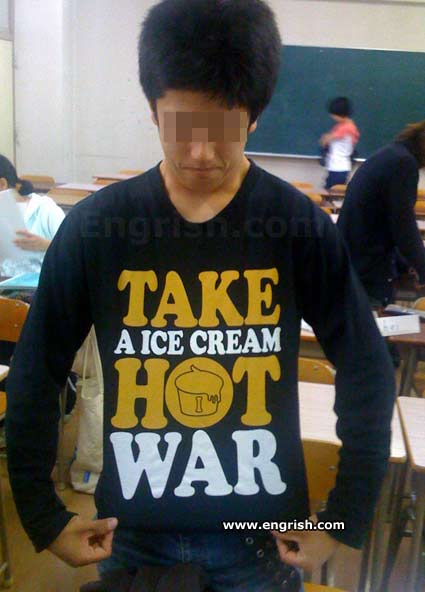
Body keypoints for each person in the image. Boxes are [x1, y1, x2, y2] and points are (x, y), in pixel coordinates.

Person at [5, 2, 394, 591]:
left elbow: (367, 367)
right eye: (180, 126)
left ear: (255, 117)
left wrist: (344, 516)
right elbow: (36, 372)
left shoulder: (297, 227)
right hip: (133, 536)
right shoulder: (97, 228)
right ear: (152, 110)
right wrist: (42, 514)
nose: (201, 153)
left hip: (262, 543)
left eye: (223, 129)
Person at [337, 121, 425, 307]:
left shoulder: (391, 155)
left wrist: (407, 264)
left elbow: (387, 220)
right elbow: (404, 228)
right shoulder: (403, 164)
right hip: (366, 270)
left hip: (352, 260)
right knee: (373, 320)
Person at [0, 154, 65, 278]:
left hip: (40, 284)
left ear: (2, 184)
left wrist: (45, 245)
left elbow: (73, 249)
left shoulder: (44, 209)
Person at [319, 97, 360, 191]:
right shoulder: (343, 126)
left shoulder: (347, 128)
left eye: (333, 114)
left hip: (339, 167)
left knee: (333, 193)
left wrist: (326, 138)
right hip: (336, 166)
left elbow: (325, 140)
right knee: (329, 192)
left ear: (340, 113)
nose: (332, 116)